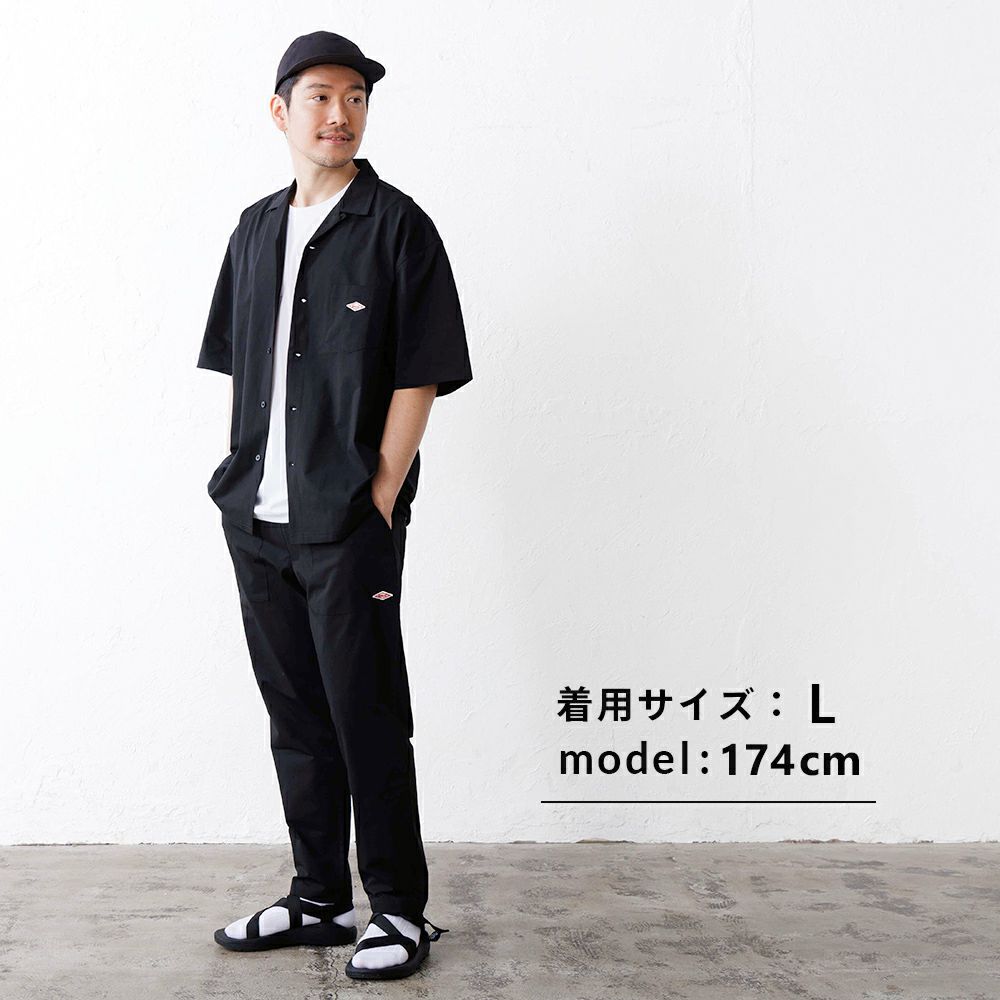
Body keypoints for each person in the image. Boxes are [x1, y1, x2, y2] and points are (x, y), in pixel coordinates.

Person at [195, 30, 473, 981]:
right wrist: (241, 486)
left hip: (348, 524)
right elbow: (245, 370)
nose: (340, 113)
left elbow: (420, 373)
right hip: (258, 521)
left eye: (355, 97)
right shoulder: (253, 231)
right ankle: (319, 898)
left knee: (366, 715)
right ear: (280, 111)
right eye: (319, 96)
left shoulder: (398, 227)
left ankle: (397, 908)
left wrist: (380, 494)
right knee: (296, 716)